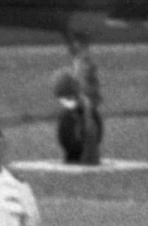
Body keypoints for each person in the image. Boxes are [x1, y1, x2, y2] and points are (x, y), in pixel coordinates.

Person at [53, 32, 103, 165]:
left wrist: (87, 93)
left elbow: (89, 82)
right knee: (79, 120)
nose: (75, 46)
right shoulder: (80, 58)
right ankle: (83, 151)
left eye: (79, 44)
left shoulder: (86, 62)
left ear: (83, 45)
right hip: (80, 95)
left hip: (86, 96)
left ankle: (90, 155)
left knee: (87, 122)